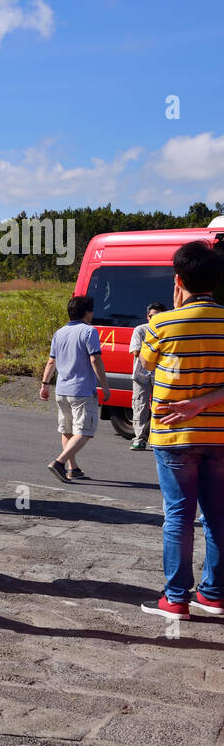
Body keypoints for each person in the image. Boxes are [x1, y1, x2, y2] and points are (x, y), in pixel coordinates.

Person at [136, 240, 224, 621]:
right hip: (220, 436)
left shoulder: (162, 323)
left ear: (178, 280)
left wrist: (173, 315)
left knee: (179, 516)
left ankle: (175, 599)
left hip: (175, 437)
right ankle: (214, 594)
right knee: (219, 516)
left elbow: (146, 363)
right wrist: (206, 402)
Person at [40, 296, 111, 482]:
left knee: (67, 430)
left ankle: (72, 468)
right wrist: (105, 386)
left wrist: (44, 384)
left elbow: (51, 361)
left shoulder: (59, 333)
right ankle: (59, 462)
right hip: (82, 390)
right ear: (87, 312)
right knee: (85, 431)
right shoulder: (89, 331)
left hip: (61, 390)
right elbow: (95, 360)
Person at [128, 301, 167, 451]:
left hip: (161, 375)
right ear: (147, 316)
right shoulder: (140, 330)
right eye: (152, 316)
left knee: (161, 407)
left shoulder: (167, 331)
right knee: (140, 406)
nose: (154, 319)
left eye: (158, 316)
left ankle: (158, 439)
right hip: (141, 375)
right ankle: (138, 439)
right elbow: (136, 352)